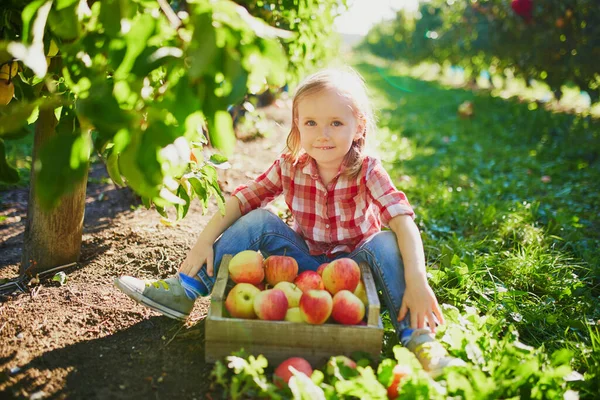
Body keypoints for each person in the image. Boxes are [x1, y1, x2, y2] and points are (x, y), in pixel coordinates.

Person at [115, 67, 452, 374]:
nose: (323, 134)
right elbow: (243, 199)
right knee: (259, 218)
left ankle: (418, 336)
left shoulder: (367, 170)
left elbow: (402, 218)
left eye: (336, 123)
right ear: (297, 125)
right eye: (311, 123)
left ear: (359, 126)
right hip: (301, 262)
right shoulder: (291, 165)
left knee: (386, 241)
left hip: (355, 269)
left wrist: (417, 278)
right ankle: (185, 290)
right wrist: (203, 242)